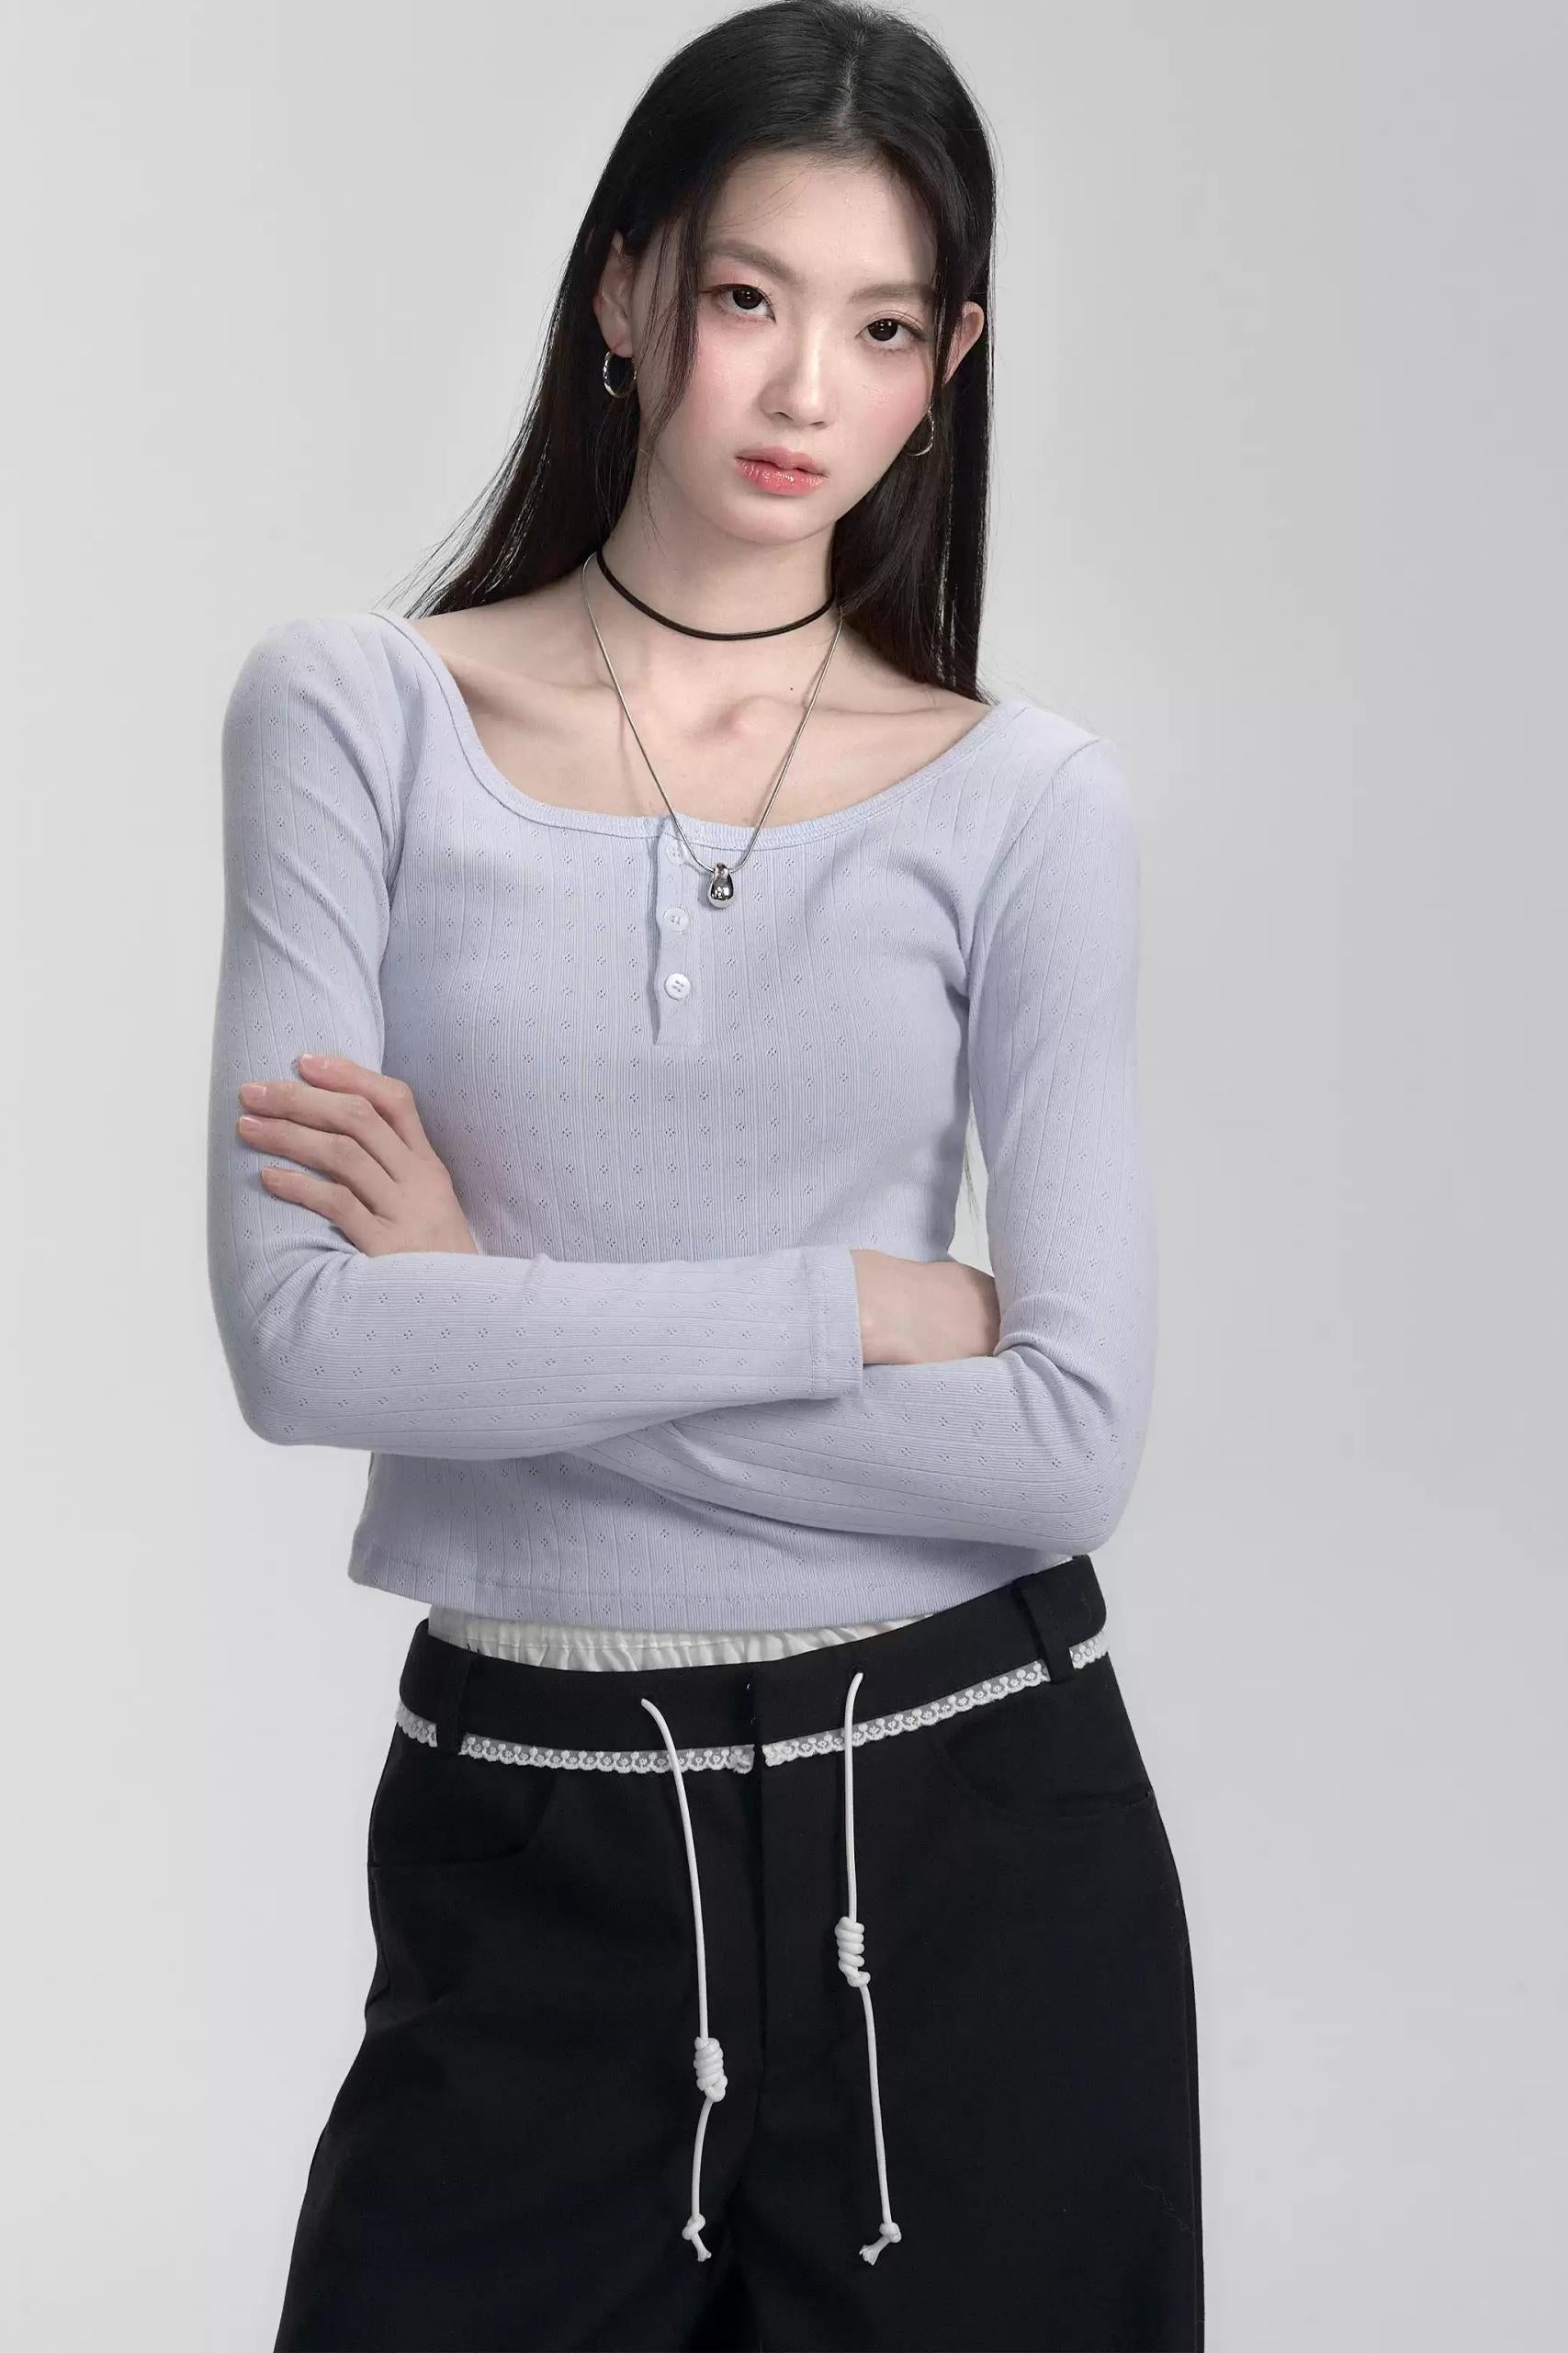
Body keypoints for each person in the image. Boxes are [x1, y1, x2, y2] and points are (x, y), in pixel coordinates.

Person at [208, 4, 1202, 2346]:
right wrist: (843, 1305)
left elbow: (1062, 1446)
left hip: (973, 1823)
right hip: (534, 1825)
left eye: (881, 329)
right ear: (628, 286)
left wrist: (488, 1321)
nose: (800, 390)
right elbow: (307, 1348)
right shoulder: (360, 716)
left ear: (948, 366)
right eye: (750, 297)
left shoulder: (1026, 805)